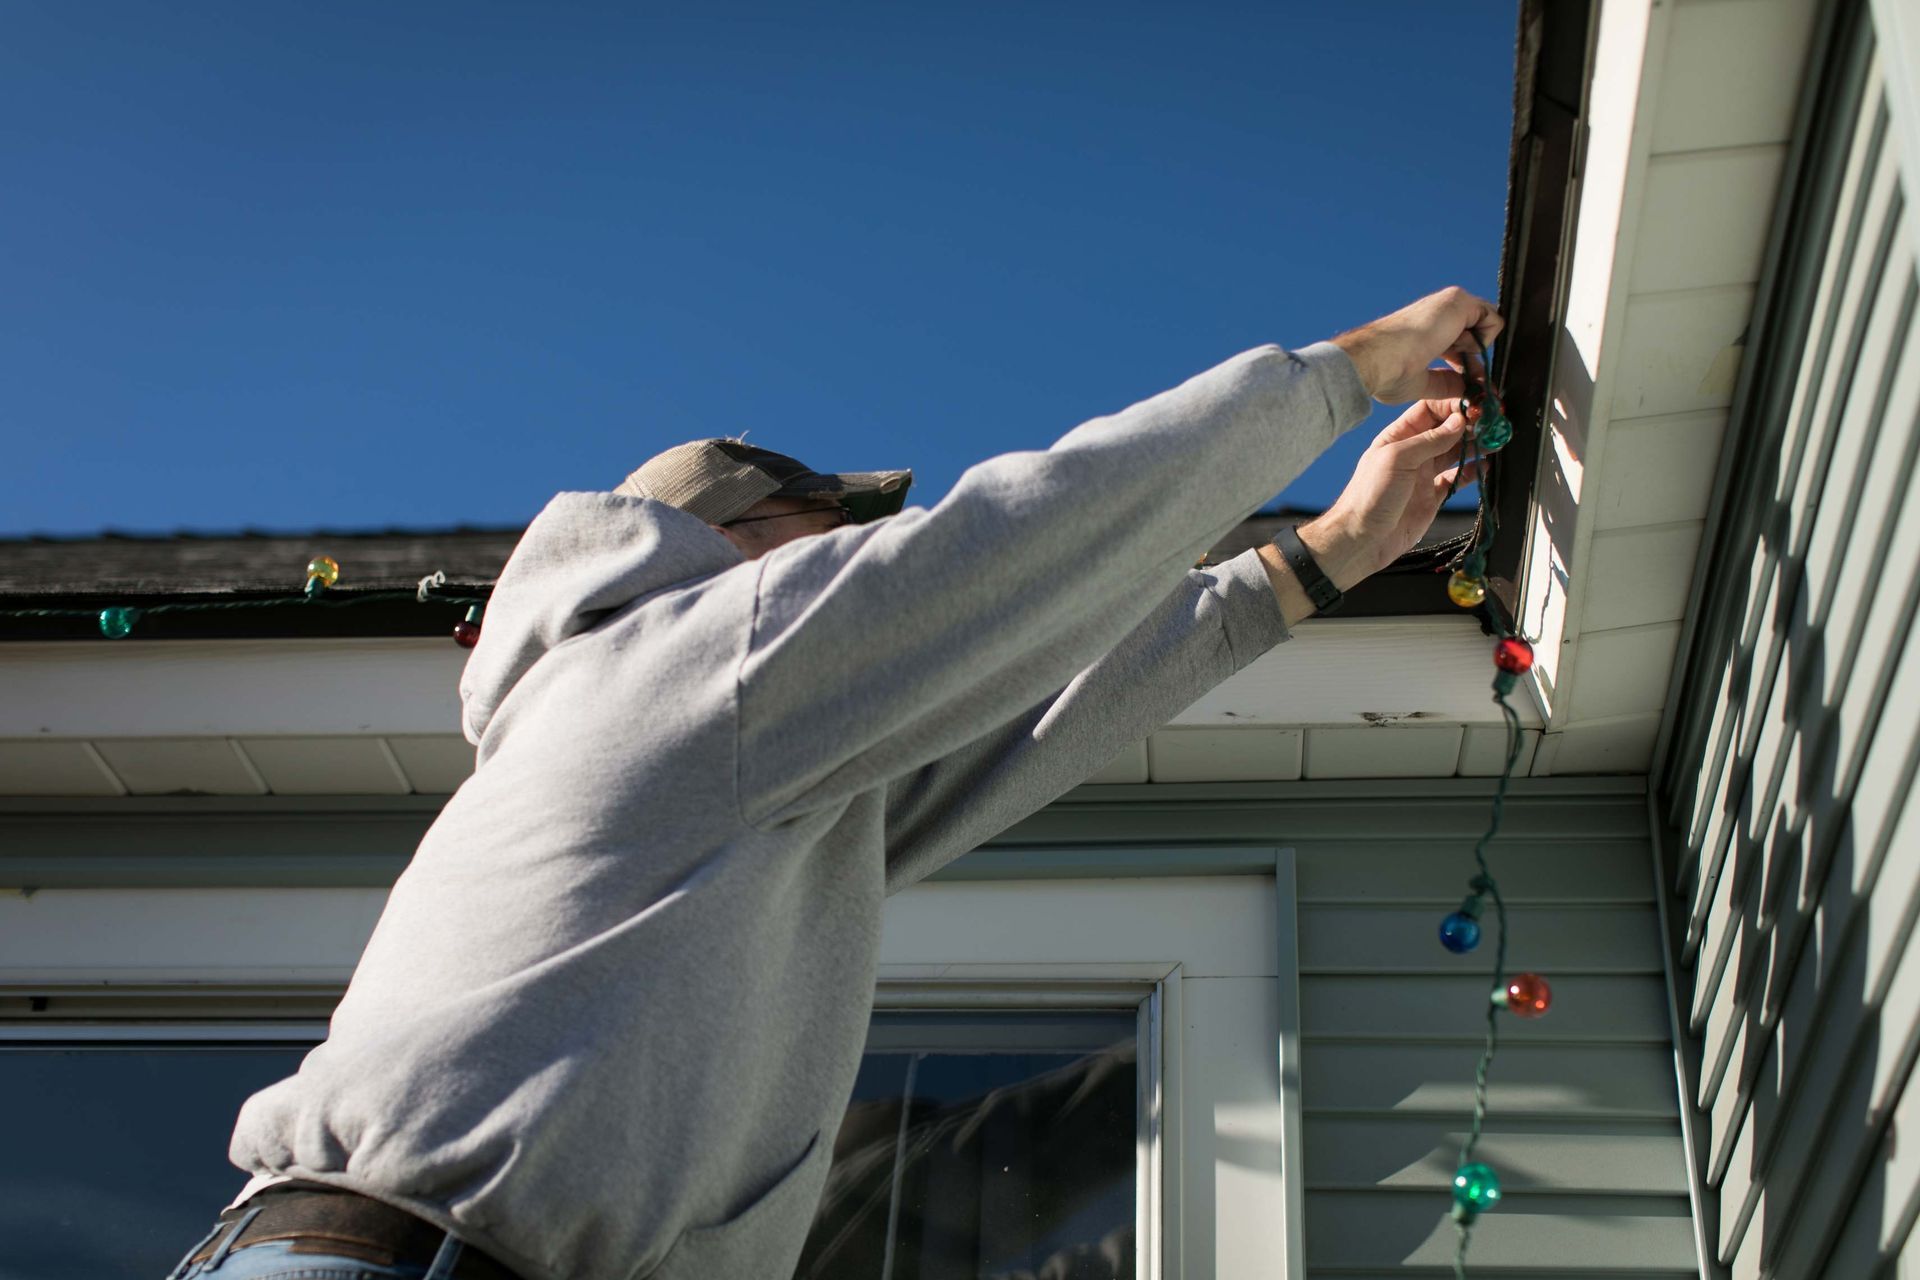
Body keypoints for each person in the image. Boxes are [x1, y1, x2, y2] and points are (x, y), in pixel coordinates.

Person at [163, 287, 1502, 1280]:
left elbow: (1039, 718)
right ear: (726, 545)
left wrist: (1322, 556)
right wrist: (1339, 378)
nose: (854, 580)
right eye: (831, 553)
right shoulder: (667, 668)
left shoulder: (762, 789)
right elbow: (1019, 549)